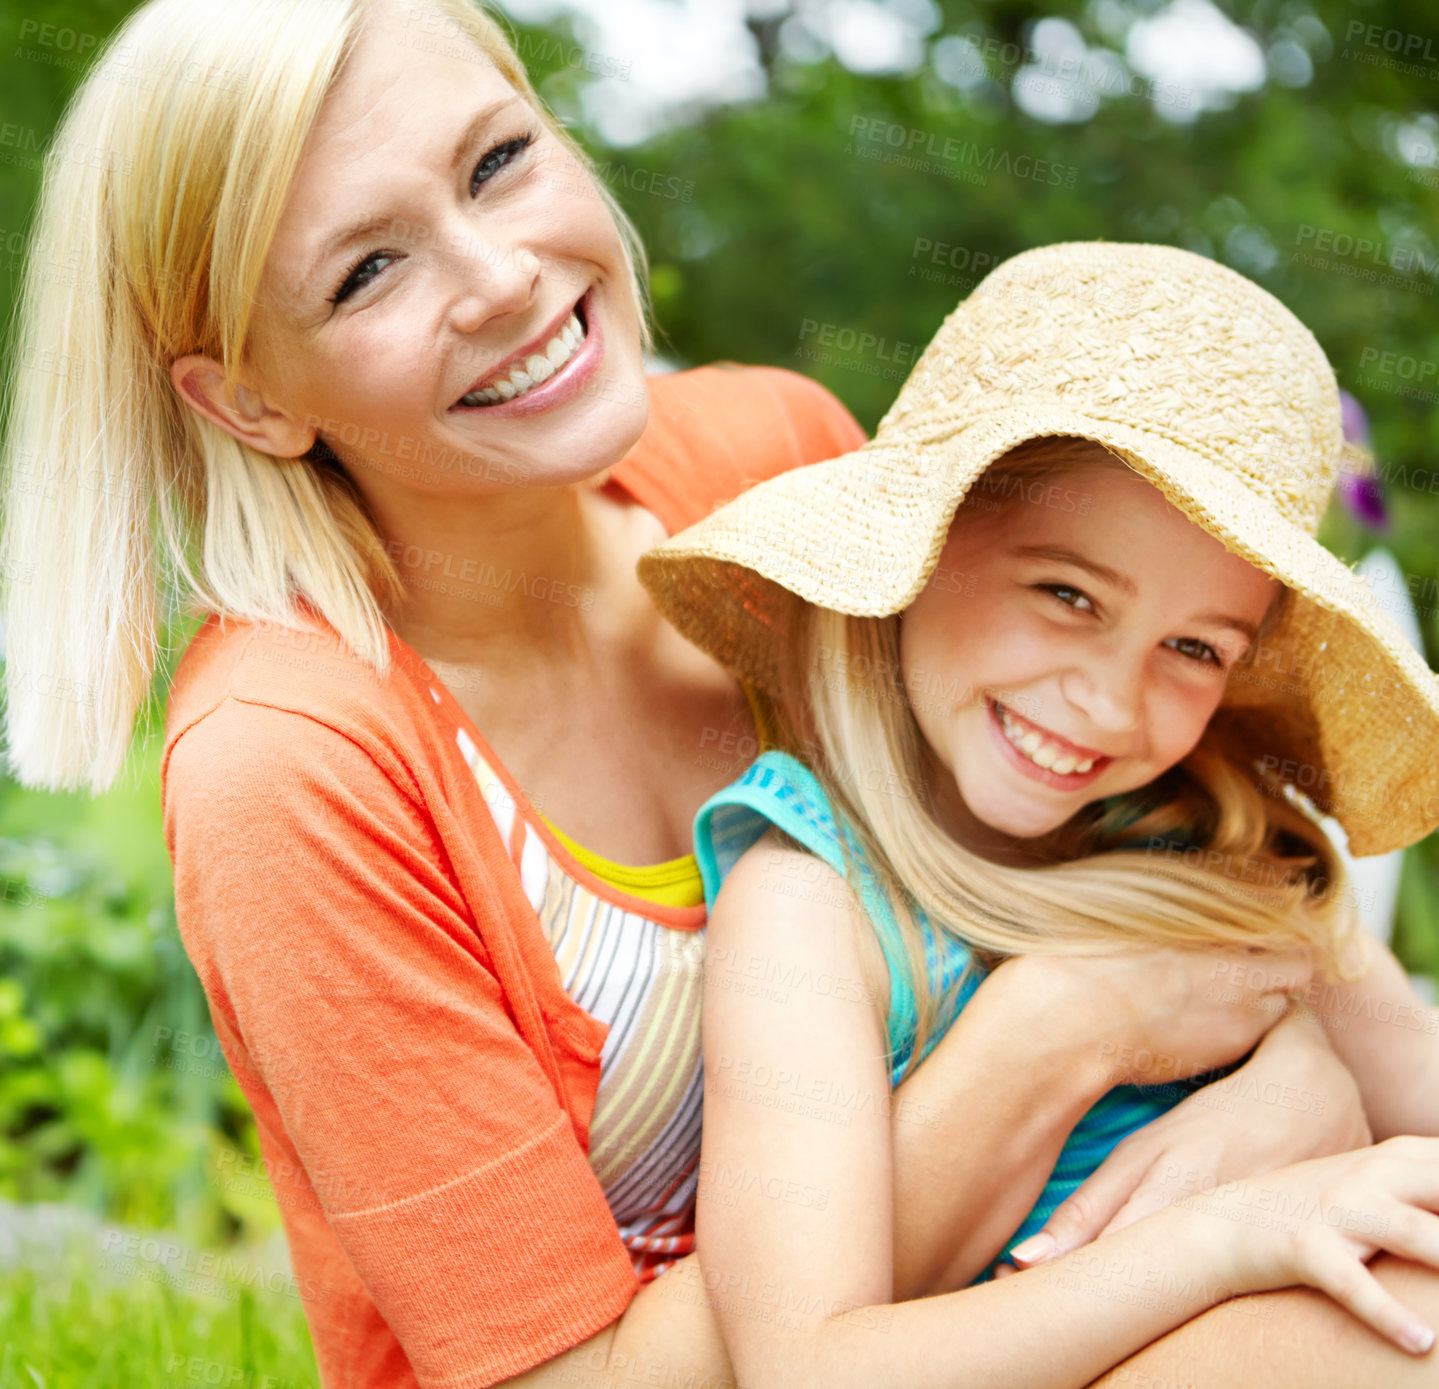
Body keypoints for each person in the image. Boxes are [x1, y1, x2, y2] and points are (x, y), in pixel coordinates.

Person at [0, 1, 1393, 1384]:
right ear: (248, 401)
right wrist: (1060, 1037)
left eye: (496, 161)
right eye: (367, 270)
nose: (498, 276)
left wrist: (1290, 1096)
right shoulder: (293, 764)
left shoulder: (775, 475)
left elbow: (1210, 888)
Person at [637, 240, 1439, 1387]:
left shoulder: (1215, 844)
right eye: (1066, 594)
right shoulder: (813, 903)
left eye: (1192, 648)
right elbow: (806, 1367)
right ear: (919, 550)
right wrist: (1224, 1237)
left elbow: (1413, 1072)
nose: (1110, 701)